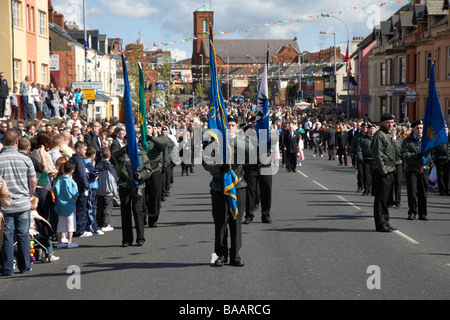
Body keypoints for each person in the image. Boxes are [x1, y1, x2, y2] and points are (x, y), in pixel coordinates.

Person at [203, 115, 247, 267]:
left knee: (236, 221)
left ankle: (236, 255)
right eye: (227, 125)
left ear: (237, 127)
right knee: (220, 221)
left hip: (238, 185)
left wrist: (230, 142)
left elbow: (251, 151)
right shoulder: (214, 142)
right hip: (218, 185)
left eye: (233, 125)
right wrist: (218, 168)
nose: (230, 127)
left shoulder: (243, 140)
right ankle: (220, 254)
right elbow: (206, 161)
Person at [0, 129, 37, 276]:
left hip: (5, 203)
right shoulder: (25, 159)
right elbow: (33, 180)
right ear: (17, 142)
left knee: (7, 235)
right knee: (23, 234)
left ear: (4, 142)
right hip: (22, 201)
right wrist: (30, 193)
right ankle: (25, 266)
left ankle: (7, 268)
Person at [113, 139, 152, 247]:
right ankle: (126, 239)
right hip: (124, 185)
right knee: (125, 213)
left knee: (138, 211)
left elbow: (148, 170)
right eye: (128, 141)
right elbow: (114, 156)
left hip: (137, 186)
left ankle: (140, 238)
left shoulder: (142, 154)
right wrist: (124, 150)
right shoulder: (122, 154)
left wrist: (140, 176)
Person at [371, 113, 397, 232]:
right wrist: (383, 171)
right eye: (387, 122)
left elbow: (390, 155)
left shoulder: (388, 134)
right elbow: (378, 155)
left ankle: (386, 220)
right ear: (381, 123)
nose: (390, 124)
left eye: (392, 122)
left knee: (386, 199)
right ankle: (380, 224)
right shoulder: (379, 135)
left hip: (390, 169)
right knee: (381, 199)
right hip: (382, 172)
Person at [401, 119, 432, 221]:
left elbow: (430, 154)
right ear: (413, 129)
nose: (419, 130)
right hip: (412, 169)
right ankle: (412, 212)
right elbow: (405, 155)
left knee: (423, 192)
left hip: (424, 169)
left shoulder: (427, 141)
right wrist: (416, 156)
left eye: (421, 128)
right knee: (412, 192)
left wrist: (425, 163)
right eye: (417, 128)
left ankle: (422, 213)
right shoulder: (407, 141)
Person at [53, 161, 79, 248]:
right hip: (70, 205)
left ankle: (60, 242)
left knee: (60, 223)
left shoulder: (58, 181)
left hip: (60, 204)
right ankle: (70, 242)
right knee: (70, 224)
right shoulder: (71, 182)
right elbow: (75, 194)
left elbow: (55, 192)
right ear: (72, 170)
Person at [69, 141, 91, 237]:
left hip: (75, 186)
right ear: (78, 149)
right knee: (81, 208)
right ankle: (80, 230)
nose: (86, 151)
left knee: (77, 208)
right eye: (84, 149)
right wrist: (86, 185)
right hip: (81, 187)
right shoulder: (78, 159)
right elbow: (82, 174)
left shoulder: (72, 158)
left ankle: (75, 229)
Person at [29, 196, 58, 261]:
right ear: (32, 204)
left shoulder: (23, 213)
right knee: (47, 235)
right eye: (37, 203)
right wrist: (48, 223)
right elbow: (42, 219)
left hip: (25, 233)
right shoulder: (33, 213)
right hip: (34, 234)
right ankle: (50, 252)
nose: (37, 205)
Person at [96, 148, 118, 232]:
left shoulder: (97, 166)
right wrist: (115, 192)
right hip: (108, 191)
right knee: (107, 208)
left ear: (101, 156)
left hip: (100, 190)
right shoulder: (110, 167)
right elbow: (113, 180)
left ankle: (99, 223)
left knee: (100, 207)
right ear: (110, 156)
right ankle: (105, 224)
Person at [84, 146, 102, 235]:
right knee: (91, 209)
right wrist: (97, 174)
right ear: (93, 155)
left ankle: (92, 226)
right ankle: (92, 227)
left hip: (93, 189)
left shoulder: (90, 163)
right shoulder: (88, 164)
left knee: (92, 207)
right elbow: (94, 176)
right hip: (91, 189)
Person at [357, 123, 376, 196]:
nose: (371, 130)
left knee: (374, 176)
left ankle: (373, 190)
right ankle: (366, 190)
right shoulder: (363, 139)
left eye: (373, 129)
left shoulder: (377, 138)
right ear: (368, 130)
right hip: (366, 158)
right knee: (366, 175)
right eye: (370, 129)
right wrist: (360, 157)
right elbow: (359, 149)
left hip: (375, 159)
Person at [432, 125, 449, 196]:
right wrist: (434, 159)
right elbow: (433, 150)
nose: (445, 131)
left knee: (447, 176)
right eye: (443, 129)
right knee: (440, 176)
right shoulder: (437, 139)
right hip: (440, 159)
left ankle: (447, 190)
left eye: (446, 129)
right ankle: (442, 190)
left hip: (448, 159)